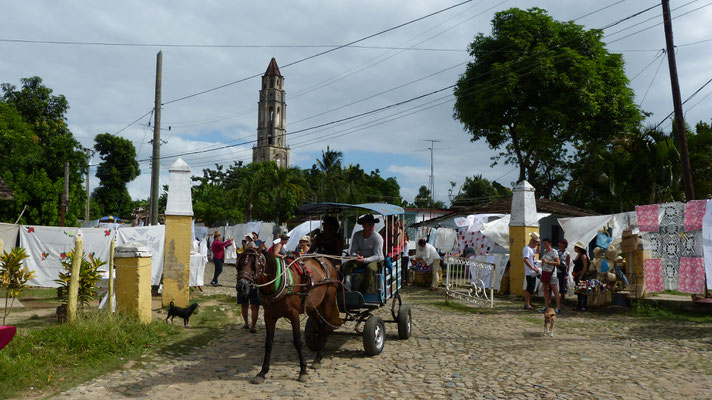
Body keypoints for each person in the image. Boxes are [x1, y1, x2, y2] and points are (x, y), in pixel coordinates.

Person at [341, 214, 384, 293]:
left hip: (376, 260)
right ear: (363, 226)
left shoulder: (378, 238)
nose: (371, 227)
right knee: (346, 265)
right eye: (369, 225)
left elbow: (377, 255)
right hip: (361, 258)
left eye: (373, 225)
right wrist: (355, 256)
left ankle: (361, 291)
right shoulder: (357, 235)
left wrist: (364, 260)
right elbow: (353, 250)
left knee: (370, 268)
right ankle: (347, 285)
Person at [539, 238, 561, 314]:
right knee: (545, 289)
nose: (544, 245)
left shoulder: (554, 252)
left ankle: (558, 306)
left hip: (551, 273)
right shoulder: (545, 252)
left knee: (555, 289)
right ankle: (546, 306)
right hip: (545, 272)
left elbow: (558, 263)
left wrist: (548, 262)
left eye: (546, 243)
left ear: (549, 243)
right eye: (543, 243)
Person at [522, 232, 541, 310]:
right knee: (529, 288)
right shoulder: (527, 249)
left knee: (531, 287)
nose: (536, 245)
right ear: (532, 241)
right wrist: (532, 268)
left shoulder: (531, 249)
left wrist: (539, 245)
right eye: (536, 243)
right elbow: (525, 260)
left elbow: (538, 251)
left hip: (532, 272)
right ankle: (526, 304)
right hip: (530, 271)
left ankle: (529, 302)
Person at [572, 241, 590, 311]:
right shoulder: (578, 255)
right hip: (577, 274)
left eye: (576, 247)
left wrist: (581, 275)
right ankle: (579, 305)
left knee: (583, 291)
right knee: (579, 291)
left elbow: (585, 267)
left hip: (582, 274)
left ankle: (584, 306)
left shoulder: (583, 256)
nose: (574, 248)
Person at [556, 239, 571, 303]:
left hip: (563, 271)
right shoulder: (556, 252)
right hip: (556, 270)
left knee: (562, 286)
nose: (559, 244)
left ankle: (562, 301)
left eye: (561, 243)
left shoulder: (567, 253)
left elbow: (568, 264)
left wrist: (567, 273)